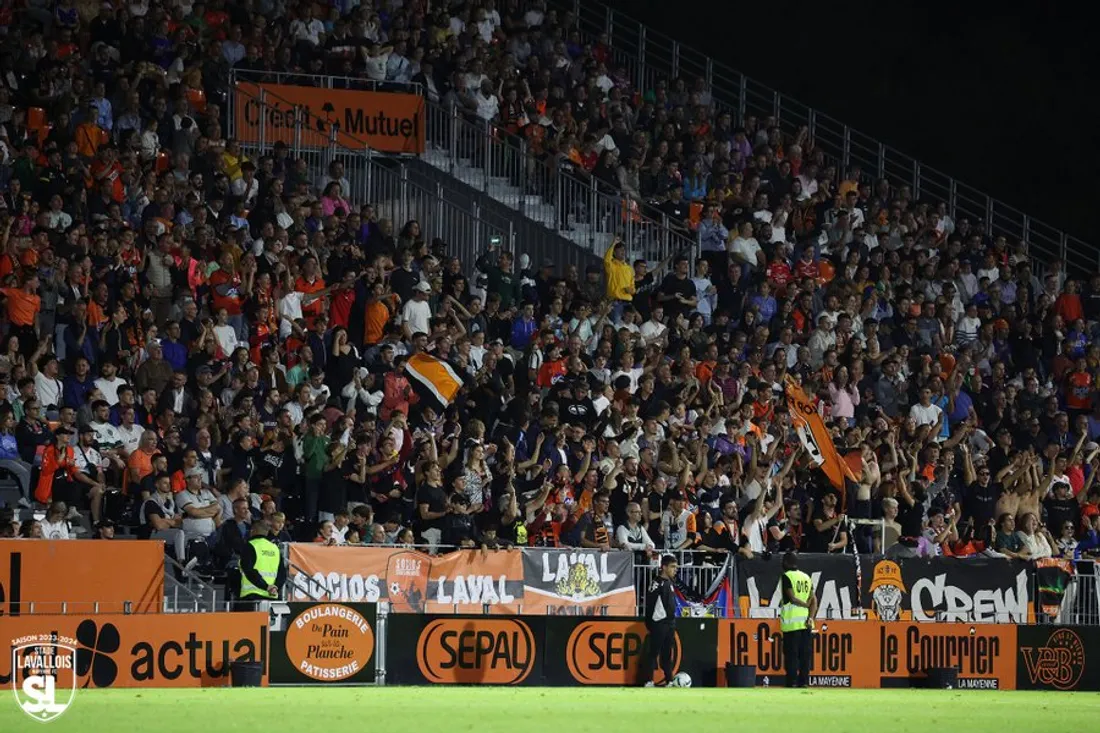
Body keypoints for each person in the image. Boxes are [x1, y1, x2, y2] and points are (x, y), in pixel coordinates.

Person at [779, 551, 817, 689]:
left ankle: (792, 683)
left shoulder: (786, 577)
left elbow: (792, 598)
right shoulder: (806, 577)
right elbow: (814, 600)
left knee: (791, 656)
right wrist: (810, 618)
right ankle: (804, 682)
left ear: (787, 563)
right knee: (805, 655)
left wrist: (804, 604)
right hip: (806, 623)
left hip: (791, 624)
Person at [640, 554, 678, 688]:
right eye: (672, 567)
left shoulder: (670, 583)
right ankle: (648, 681)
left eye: (676, 567)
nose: (675, 570)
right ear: (664, 567)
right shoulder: (656, 583)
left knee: (667, 654)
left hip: (670, 623)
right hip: (659, 623)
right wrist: (651, 623)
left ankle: (670, 681)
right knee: (653, 653)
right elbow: (650, 604)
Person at [236, 519, 287, 611]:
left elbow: (248, 570)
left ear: (252, 531)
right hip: (271, 596)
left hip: (251, 595)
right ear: (267, 532)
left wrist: (266, 586)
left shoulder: (250, 545)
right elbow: (282, 573)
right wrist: (275, 587)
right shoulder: (274, 548)